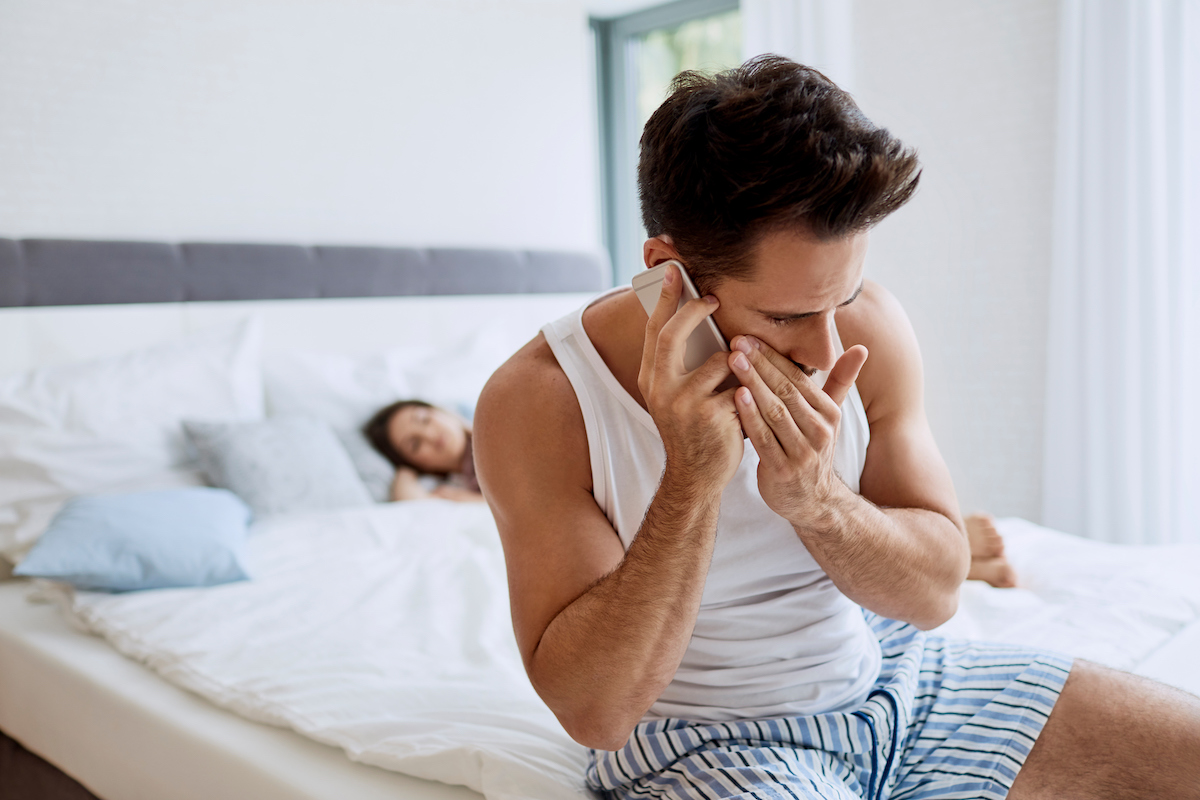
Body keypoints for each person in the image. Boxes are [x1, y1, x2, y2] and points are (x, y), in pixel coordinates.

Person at [474, 56, 1200, 799]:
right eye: (787, 316)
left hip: (898, 681)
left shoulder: (869, 329)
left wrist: (818, 501)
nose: (827, 350)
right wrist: (690, 480)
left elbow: (935, 597)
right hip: (702, 743)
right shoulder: (542, 401)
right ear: (671, 274)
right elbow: (596, 712)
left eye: (841, 299)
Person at [362, 400, 483, 502]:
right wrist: (405, 472)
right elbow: (414, 507)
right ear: (414, 464)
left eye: (424, 419)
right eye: (415, 445)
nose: (430, 435)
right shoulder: (451, 491)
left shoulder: (487, 417)